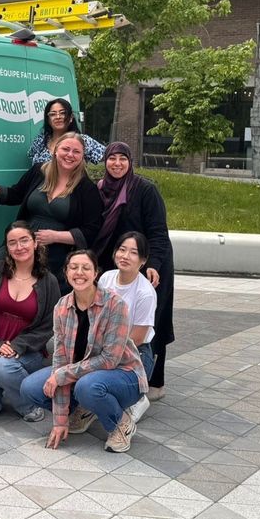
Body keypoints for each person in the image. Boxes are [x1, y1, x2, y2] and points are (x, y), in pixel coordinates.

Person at [20, 250, 148, 452]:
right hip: (83, 375)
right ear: (66, 272)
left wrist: (62, 374)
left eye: (86, 268)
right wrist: (60, 420)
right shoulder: (62, 307)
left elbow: (109, 360)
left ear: (95, 273)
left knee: (87, 386)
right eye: (73, 267)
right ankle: (85, 409)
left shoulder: (115, 305)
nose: (79, 272)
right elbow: (60, 361)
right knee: (31, 387)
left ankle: (122, 423)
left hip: (124, 375)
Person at [94, 142, 175, 402]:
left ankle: (155, 380)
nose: (117, 164)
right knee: (113, 320)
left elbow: (159, 232)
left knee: (152, 321)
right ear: (105, 161)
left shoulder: (145, 189)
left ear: (130, 162)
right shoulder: (100, 189)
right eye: (112, 158)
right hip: (116, 262)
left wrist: (153, 265)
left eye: (123, 159)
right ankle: (117, 372)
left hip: (150, 264)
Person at [0, 132, 103, 285]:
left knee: (39, 282)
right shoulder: (38, 172)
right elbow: (14, 195)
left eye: (76, 151)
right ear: (56, 150)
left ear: (82, 156)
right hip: (25, 240)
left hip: (58, 250)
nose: (70, 155)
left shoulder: (87, 188)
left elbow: (91, 230)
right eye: (66, 149)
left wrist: (56, 236)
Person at [0, 221, 60, 422]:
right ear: (7, 247)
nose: (19, 247)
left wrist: (18, 345)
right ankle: (9, 385)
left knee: (0, 367)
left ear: (35, 243)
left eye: (24, 240)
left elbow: (48, 326)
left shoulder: (49, 281)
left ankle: (29, 404)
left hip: (27, 352)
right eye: (12, 243)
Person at [98, 231, 156, 421]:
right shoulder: (106, 278)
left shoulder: (145, 293)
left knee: (97, 381)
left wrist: (105, 356)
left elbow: (137, 338)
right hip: (105, 345)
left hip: (134, 352)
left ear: (143, 260)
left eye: (133, 252)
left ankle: (137, 399)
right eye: (122, 250)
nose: (125, 256)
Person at [28, 98, 105, 165]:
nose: (58, 117)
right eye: (53, 114)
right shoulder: (41, 140)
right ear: (48, 119)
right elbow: (31, 156)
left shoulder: (83, 140)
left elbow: (107, 157)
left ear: (71, 118)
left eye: (63, 113)